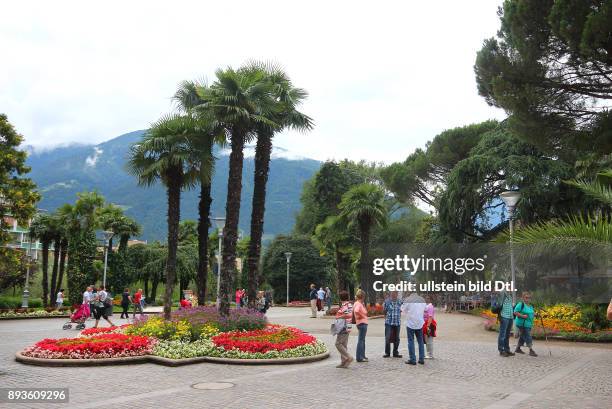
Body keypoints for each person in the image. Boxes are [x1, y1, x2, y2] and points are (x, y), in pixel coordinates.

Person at [401, 292, 426, 365]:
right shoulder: (422, 299)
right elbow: (424, 309)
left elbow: (403, 309)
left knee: (411, 341)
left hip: (410, 323)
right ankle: (421, 359)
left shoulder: (408, 299)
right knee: (420, 341)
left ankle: (412, 359)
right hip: (419, 323)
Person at [334, 290, 354, 368]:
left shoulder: (345, 305)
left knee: (338, 344)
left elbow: (348, 315)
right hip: (347, 326)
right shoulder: (349, 304)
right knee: (344, 344)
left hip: (343, 327)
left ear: (341, 298)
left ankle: (348, 357)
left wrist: (339, 317)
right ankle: (344, 362)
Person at [514, 291, 537, 357]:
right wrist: (522, 316)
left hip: (528, 324)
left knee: (522, 336)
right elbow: (515, 312)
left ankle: (518, 348)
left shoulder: (530, 306)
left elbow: (532, 313)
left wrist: (536, 314)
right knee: (528, 336)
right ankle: (531, 350)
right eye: (526, 298)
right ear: (523, 298)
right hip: (522, 324)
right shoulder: (520, 304)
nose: (528, 299)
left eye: (529, 298)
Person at [383, 291, 402, 358]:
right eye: (392, 293)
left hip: (397, 323)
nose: (394, 295)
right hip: (389, 323)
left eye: (395, 293)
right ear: (391, 294)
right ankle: (387, 353)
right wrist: (386, 319)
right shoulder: (387, 301)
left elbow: (402, 310)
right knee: (387, 338)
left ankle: (395, 352)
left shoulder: (400, 302)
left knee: (397, 338)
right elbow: (384, 311)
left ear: (397, 294)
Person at [497, 289, 515, 357]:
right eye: (508, 286)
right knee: (502, 334)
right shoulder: (502, 294)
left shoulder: (510, 296)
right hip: (504, 316)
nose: (510, 288)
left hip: (510, 317)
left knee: (507, 335)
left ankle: (507, 350)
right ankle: (501, 350)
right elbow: (499, 305)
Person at [353, 289, 369, 362]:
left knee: (362, 340)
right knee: (361, 340)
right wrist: (363, 316)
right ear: (362, 297)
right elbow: (356, 311)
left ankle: (362, 355)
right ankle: (359, 357)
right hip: (362, 323)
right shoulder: (359, 304)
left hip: (360, 323)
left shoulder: (357, 303)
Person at [423, 295, 437, 359]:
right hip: (426, 323)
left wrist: (428, 326)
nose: (426, 299)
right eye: (426, 298)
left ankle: (430, 354)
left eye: (428, 298)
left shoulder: (430, 306)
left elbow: (430, 317)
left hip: (429, 324)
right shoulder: (426, 306)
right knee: (427, 340)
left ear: (431, 300)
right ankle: (428, 354)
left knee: (429, 340)